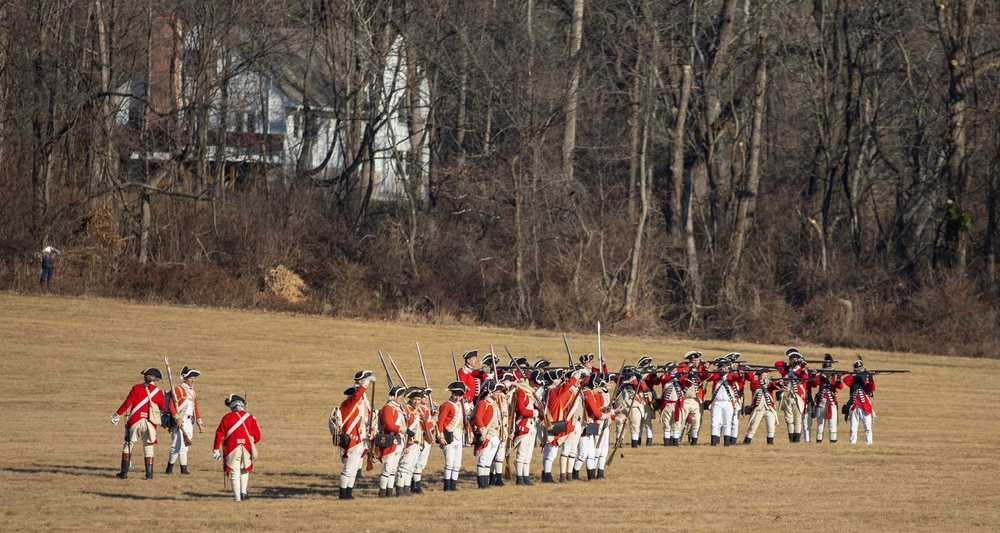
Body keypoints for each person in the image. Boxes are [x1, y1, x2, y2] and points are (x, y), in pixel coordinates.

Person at [112, 367, 166, 480]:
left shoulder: (136, 388)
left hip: (135, 420)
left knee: (128, 445)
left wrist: (117, 415)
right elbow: (162, 406)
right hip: (150, 422)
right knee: (148, 446)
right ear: (156, 379)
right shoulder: (159, 392)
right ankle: (149, 475)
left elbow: (127, 403)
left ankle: (124, 473)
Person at [212, 394, 261, 502]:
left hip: (232, 448)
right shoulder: (250, 417)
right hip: (246, 448)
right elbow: (257, 437)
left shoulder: (227, 417)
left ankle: (237, 498)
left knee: (234, 472)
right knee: (245, 470)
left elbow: (219, 434)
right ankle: (243, 493)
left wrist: (216, 449)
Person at [334, 370, 375, 500]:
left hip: (358, 440)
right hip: (350, 440)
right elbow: (357, 395)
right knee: (348, 469)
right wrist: (366, 382)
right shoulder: (347, 405)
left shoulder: (355, 407)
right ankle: (342, 493)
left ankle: (349, 492)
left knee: (353, 469)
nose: (361, 399)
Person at [166, 365, 203, 474]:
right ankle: (176, 469)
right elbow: (171, 406)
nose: (193, 380)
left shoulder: (193, 392)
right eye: (191, 378)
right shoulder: (178, 390)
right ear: (185, 378)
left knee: (184, 446)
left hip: (189, 422)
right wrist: (177, 418)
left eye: (194, 378)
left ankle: (177, 469)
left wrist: (199, 423)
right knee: (177, 445)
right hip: (179, 421)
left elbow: (195, 408)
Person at [436, 381, 470, 491]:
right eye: (455, 395)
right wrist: (441, 436)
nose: (457, 397)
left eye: (459, 395)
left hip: (459, 436)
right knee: (449, 462)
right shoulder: (447, 405)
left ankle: (453, 485)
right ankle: (447, 486)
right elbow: (440, 422)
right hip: (448, 436)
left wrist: (470, 433)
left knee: (457, 464)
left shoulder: (461, 405)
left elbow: (465, 420)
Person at [376, 385, 408, 497]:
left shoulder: (398, 408)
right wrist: (405, 430)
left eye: (401, 396)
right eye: (399, 396)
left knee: (393, 469)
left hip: (398, 440)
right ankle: (382, 492)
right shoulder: (388, 408)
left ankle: (389, 491)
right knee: (388, 468)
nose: (401, 398)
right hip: (389, 439)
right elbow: (389, 425)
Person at [511, 369, 542, 485]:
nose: (536, 387)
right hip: (523, 425)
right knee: (522, 453)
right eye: (535, 384)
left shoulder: (529, 393)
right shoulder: (521, 392)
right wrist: (535, 413)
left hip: (531, 426)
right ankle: (520, 478)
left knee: (528, 454)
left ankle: (526, 477)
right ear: (531, 382)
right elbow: (522, 410)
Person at [472, 379, 504, 488]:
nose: (498, 393)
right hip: (486, 434)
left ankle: (485, 483)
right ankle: (482, 483)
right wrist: (482, 432)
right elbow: (477, 418)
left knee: (489, 460)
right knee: (483, 459)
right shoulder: (483, 403)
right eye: (497, 391)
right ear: (491, 392)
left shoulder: (494, 404)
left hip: (495, 435)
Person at [396, 387, 427, 496]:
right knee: (404, 467)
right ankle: (400, 489)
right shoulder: (406, 410)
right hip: (409, 443)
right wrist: (408, 440)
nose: (417, 402)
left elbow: (425, 426)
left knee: (410, 468)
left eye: (418, 400)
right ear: (410, 399)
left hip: (417, 443)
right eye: (414, 399)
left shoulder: (419, 411)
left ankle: (406, 489)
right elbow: (404, 426)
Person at [776, 350, 809, 442]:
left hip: (798, 397)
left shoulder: (801, 370)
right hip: (787, 396)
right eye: (791, 359)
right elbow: (777, 364)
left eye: (795, 359)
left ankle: (797, 439)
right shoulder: (786, 369)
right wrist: (787, 363)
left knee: (798, 419)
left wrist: (802, 367)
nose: (793, 361)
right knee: (789, 419)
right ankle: (791, 438)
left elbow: (805, 379)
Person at [842, 358, 877, 445]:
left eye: (860, 370)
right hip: (854, 405)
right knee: (853, 428)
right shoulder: (853, 380)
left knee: (867, 428)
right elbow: (845, 380)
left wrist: (870, 377)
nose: (858, 371)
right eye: (856, 370)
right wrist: (854, 375)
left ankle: (869, 443)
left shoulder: (866, 379)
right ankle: (852, 443)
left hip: (865, 406)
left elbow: (872, 388)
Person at [743, 371, 780, 445]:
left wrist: (780, 382)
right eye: (763, 375)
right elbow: (754, 386)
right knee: (753, 426)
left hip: (769, 408)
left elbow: (777, 386)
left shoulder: (770, 383)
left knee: (771, 425)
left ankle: (770, 443)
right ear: (759, 377)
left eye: (766, 375)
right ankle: (746, 442)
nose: (765, 377)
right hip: (758, 408)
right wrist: (764, 383)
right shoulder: (755, 383)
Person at [410, 387, 436, 494]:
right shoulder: (419, 410)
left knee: (421, 463)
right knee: (418, 463)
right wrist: (433, 421)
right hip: (422, 438)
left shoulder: (424, 409)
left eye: (426, 396)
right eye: (424, 396)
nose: (426, 398)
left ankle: (415, 484)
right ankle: (416, 486)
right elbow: (424, 426)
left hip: (426, 438)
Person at [813, 355, 843, 443]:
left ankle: (833, 442)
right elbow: (815, 381)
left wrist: (838, 378)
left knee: (832, 424)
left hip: (832, 402)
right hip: (822, 402)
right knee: (820, 424)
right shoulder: (820, 377)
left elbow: (840, 386)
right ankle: (819, 441)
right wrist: (815, 374)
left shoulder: (834, 377)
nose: (827, 372)